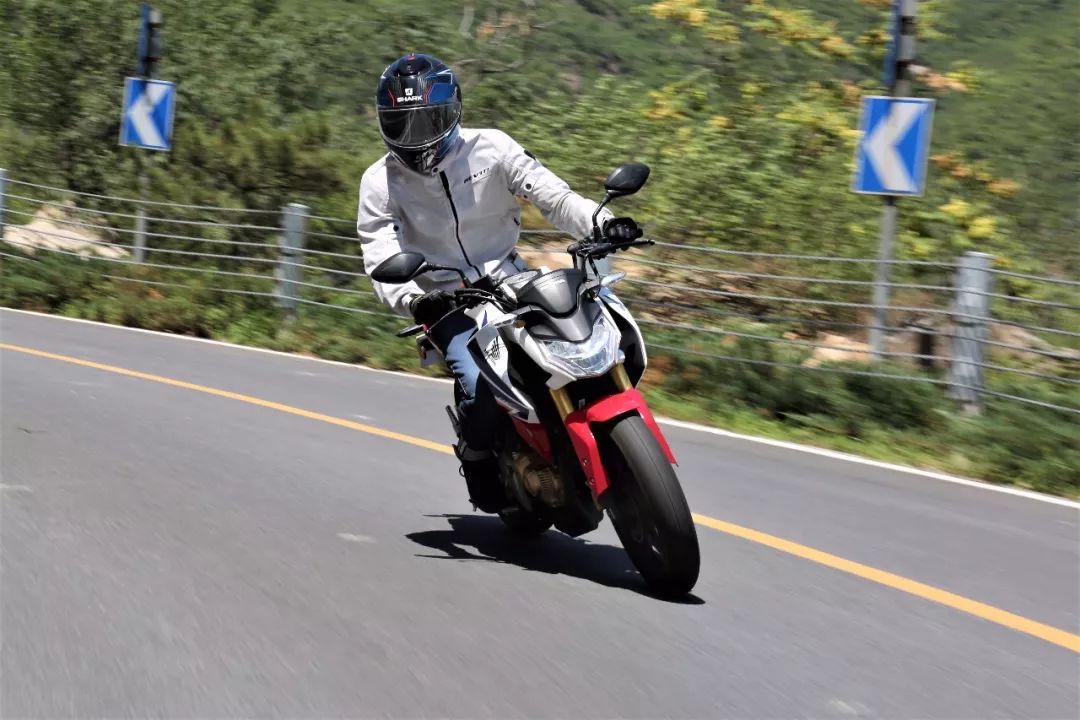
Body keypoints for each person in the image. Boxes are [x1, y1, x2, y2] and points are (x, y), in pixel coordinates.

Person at [357, 53, 641, 510]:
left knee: (579, 332)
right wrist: (413, 300)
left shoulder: (492, 147)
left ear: (453, 111)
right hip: (443, 299)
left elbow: (553, 196)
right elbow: (380, 250)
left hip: (510, 274)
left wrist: (603, 222)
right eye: (402, 124)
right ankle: (476, 457)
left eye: (428, 121)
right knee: (481, 384)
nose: (417, 136)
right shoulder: (379, 182)